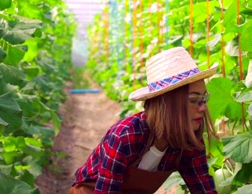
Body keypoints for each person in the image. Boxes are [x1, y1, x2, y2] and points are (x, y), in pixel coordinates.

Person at [69, 47, 219, 194]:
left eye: (204, 99)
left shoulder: (189, 142)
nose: (203, 108)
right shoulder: (125, 136)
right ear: (167, 104)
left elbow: (204, 189)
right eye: (194, 100)